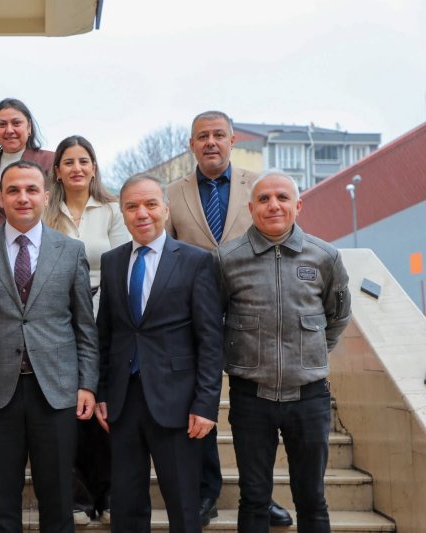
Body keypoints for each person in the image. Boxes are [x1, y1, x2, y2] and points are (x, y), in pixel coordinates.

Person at [0, 159, 99, 533]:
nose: (23, 197)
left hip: (56, 391)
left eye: (32, 189)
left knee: (59, 500)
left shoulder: (71, 250)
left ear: (46, 197)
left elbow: (84, 326)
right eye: (13, 190)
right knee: (2, 502)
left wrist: (87, 384)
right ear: (0, 197)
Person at [165, 110, 293, 527]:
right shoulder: (172, 193)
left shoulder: (258, 187)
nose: (211, 142)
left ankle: (260, 495)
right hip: (190, 315)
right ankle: (207, 491)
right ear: (191, 144)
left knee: (255, 410)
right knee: (198, 402)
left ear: (232, 140)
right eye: (202, 136)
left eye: (218, 134)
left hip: (250, 312)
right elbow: (166, 254)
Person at [214, 169, 351, 533]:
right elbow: (213, 321)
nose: (273, 205)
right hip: (250, 398)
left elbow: (338, 315)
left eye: (282, 197)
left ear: (298, 205)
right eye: (264, 199)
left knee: (312, 498)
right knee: (254, 498)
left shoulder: (325, 257)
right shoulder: (226, 259)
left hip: (309, 397)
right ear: (251, 208)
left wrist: (312, 353)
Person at [96, 174, 223, 533]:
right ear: (123, 213)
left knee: (183, 505)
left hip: (178, 403)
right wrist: (102, 391)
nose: (142, 213)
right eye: (132, 206)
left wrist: (206, 404)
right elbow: (106, 333)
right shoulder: (112, 261)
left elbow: (210, 339)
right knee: (126, 505)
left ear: (166, 209)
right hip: (123, 401)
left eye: (150, 204)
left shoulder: (196, 261)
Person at [44, 135, 130, 524]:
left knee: (105, 405)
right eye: (69, 162)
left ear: (94, 167)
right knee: (70, 408)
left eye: (84, 161)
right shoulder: (46, 212)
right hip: (59, 322)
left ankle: (109, 493)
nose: (77, 168)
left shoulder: (112, 210)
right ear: (57, 171)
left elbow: (121, 265)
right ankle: (78, 495)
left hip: (106, 315)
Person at [0, 97, 54, 229]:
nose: (9, 130)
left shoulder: (51, 161)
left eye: (16, 123)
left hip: (40, 239)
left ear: (29, 127)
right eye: (2, 124)